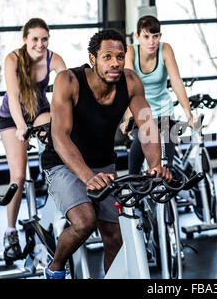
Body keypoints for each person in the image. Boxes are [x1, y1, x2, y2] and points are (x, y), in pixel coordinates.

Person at [40, 29, 172, 279]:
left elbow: (147, 126)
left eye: (120, 57)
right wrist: (87, 176)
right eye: (107, 57)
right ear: (93, 58)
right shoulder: (68, 81)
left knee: (116, 236)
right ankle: (55, 268)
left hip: (103, 165)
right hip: (63, 164)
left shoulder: (131, 82)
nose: (115, 63)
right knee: (84, 222)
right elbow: (59, 136)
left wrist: (155, 165)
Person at [0, 18, 66, 262]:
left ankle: (57, 212)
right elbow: (14, 98)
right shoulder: (12, 59)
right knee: (17, 176)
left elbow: (67, 87)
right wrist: (20, 127)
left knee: (60, 156)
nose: (40, 44)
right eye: (35, 39)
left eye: (44, 39)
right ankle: (10, 231)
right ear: (25, 39)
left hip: (39, 113)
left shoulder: (53, 58)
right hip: (12, 119)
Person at [119, 15, 196, 175]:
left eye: (155, 36)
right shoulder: (131, 51)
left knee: (167, 164)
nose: (151, 42)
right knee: (142, 139)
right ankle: (133, 185)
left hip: (163, 111)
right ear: (137, 36)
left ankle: (168, 195)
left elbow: (176, 82)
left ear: (160, 36)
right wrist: (128, 117)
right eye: (146, 37)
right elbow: (129, 88)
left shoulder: (165, 49)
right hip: (139, 112)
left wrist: (189, 114)